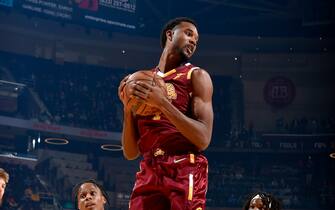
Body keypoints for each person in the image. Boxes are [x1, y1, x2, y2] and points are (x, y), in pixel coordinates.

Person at [118, 17, 214, 210]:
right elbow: (130, 153)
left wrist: (162, 103)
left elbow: (203, 139)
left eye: (196, 39)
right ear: (170, 35)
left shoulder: (196, 76)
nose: (193, 41)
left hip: (184, 165)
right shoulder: (141, 82)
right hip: (149, 168)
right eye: (188, 34)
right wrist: (128, 108)